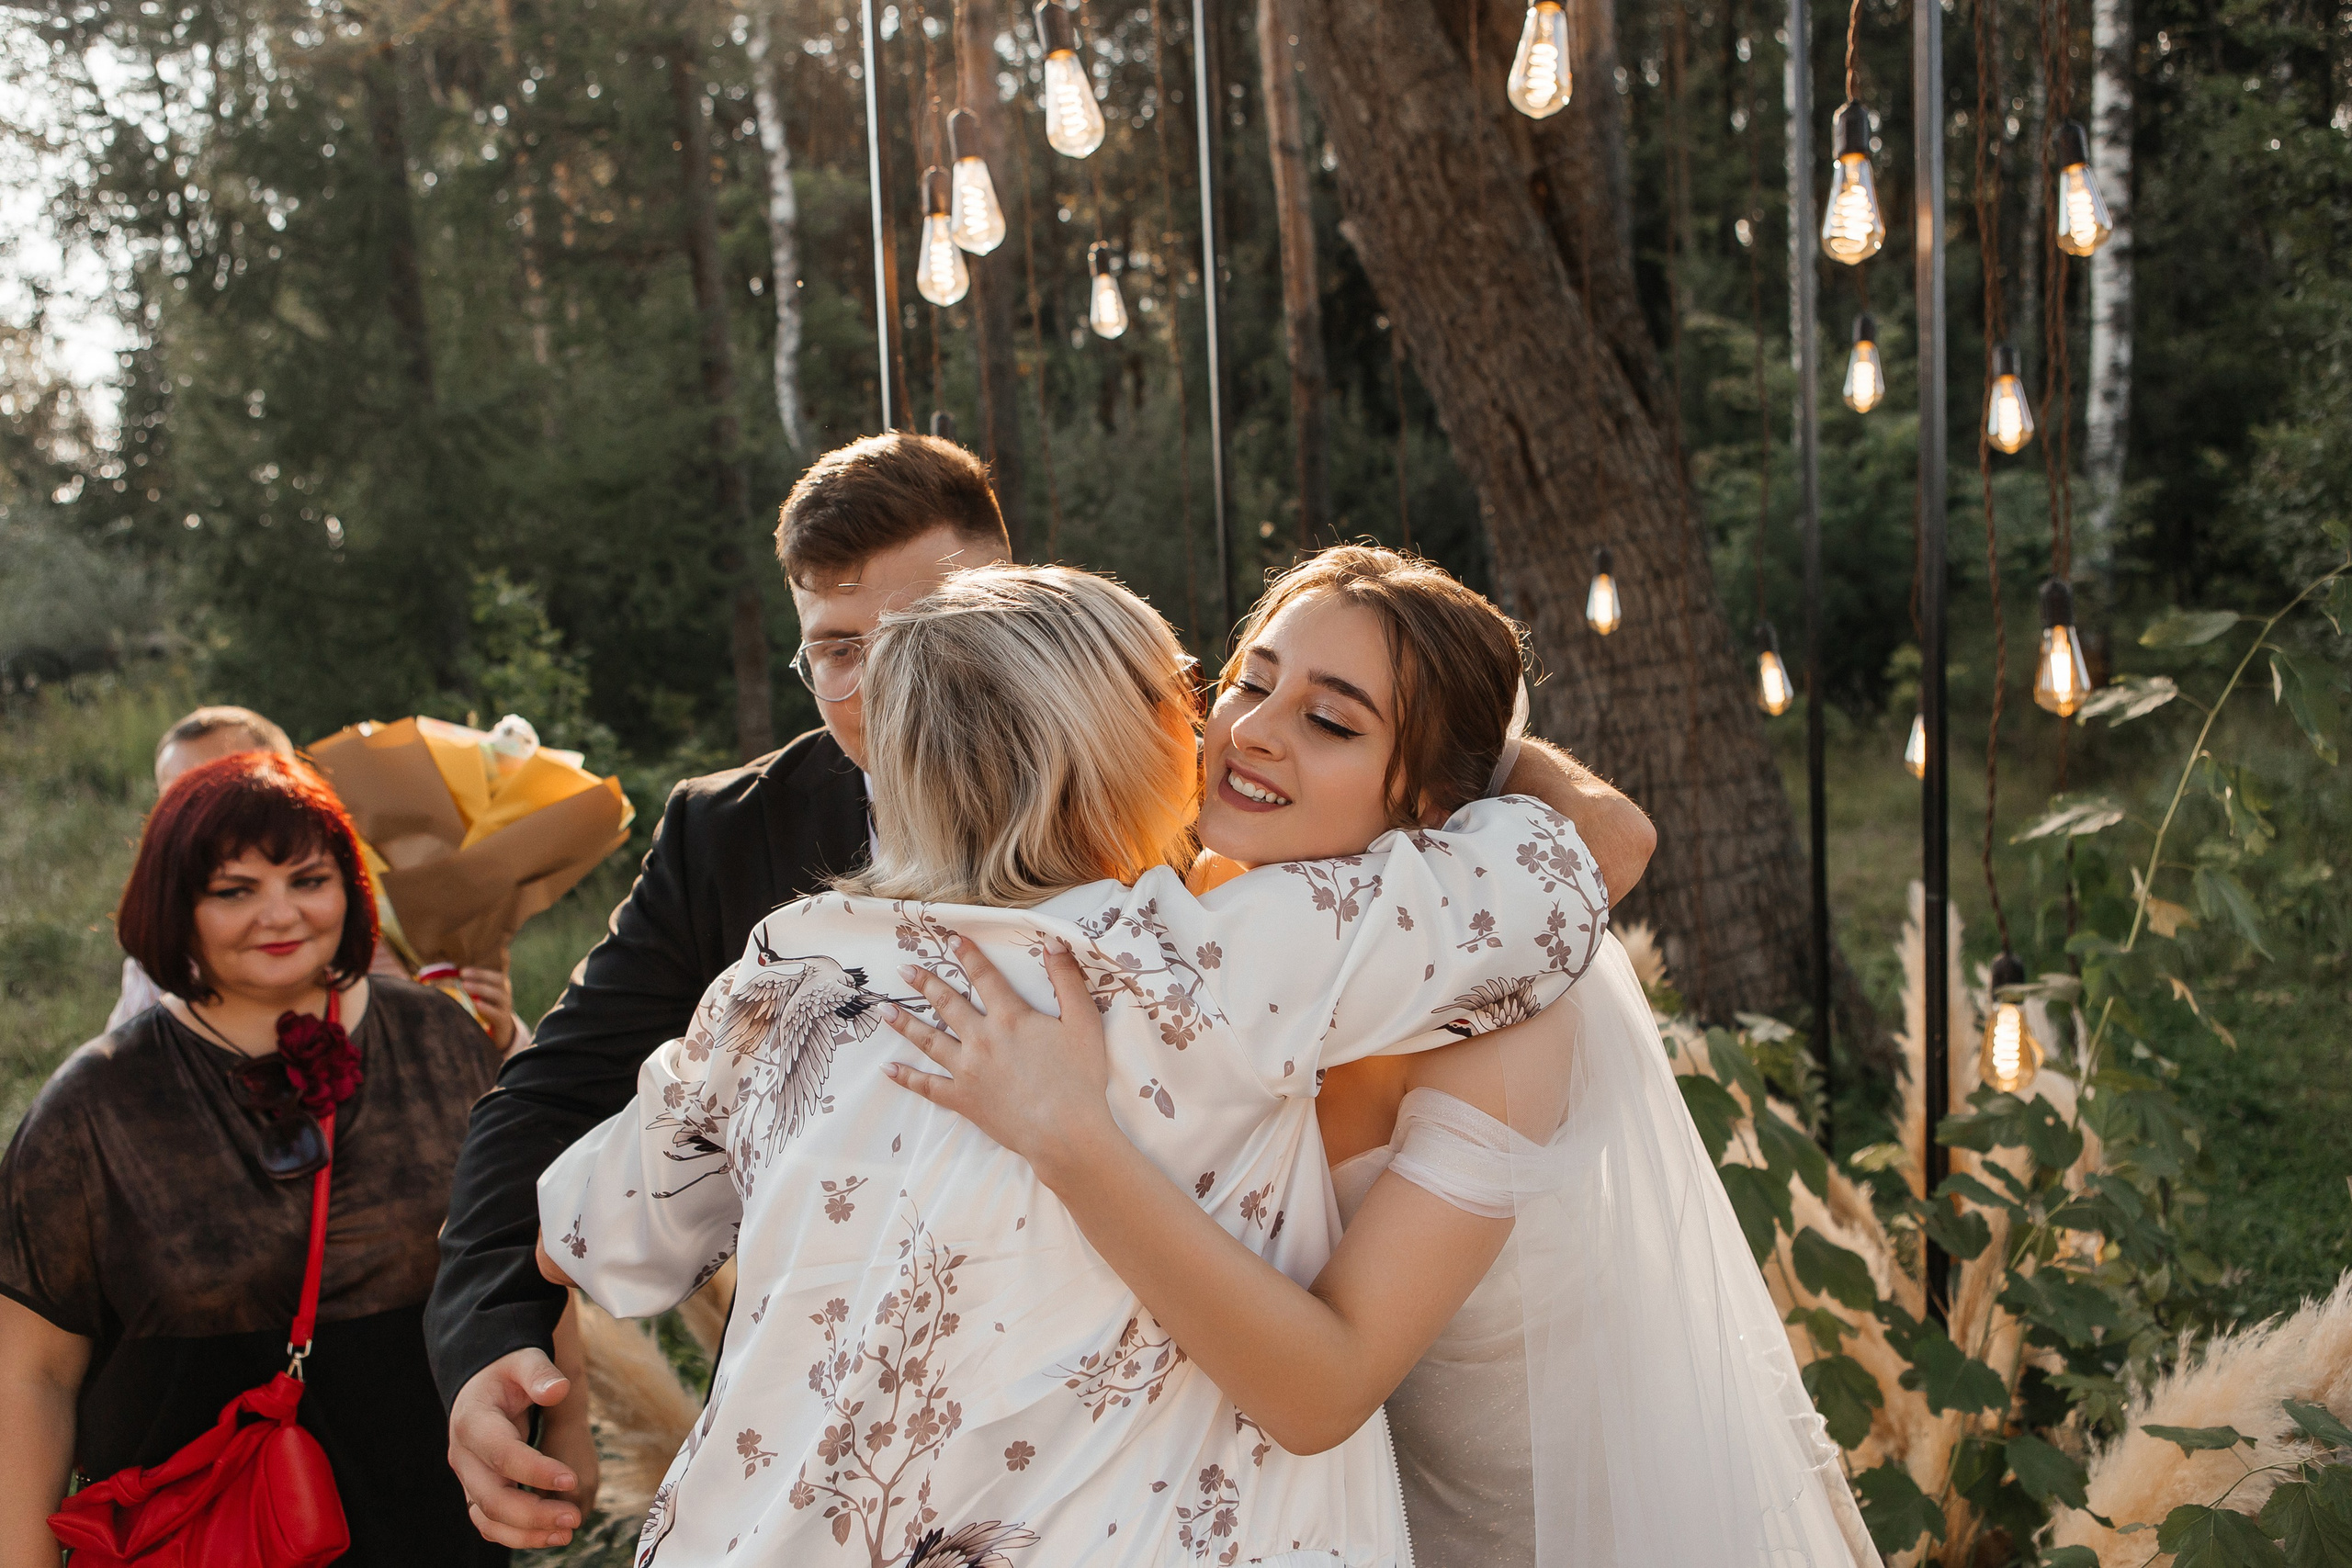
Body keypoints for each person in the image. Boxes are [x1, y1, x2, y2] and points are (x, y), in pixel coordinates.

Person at [437, 438, 1661, 1551]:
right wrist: (1491, 756)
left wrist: (565, 1326)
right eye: (1229, 685)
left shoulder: (778, 968)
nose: (1230, 726)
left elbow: (588, 1218)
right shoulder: (1215, 950)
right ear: (1128, 732)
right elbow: (1568, 866)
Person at [884, 548, 1879, 1566]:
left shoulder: (1498, 1017)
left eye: (1330, 721)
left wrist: (1073, 1140)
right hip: (1304, 1515)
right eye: (1250, 681)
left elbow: (1323, 1389)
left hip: (1530, 1530)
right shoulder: (1196, 902)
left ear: (1441, 811)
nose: (1255, 732)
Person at [433, 432, 1014, 1550]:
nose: (881, 690)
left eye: (928, 640)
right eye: (836, 651)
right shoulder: (728, 835)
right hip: (819, 1472)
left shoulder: (1169, 805)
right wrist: (495, 1336)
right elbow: (552, 1100)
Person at [0, 750, 584, 1568]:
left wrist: (570, 1423)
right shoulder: (93, 1106)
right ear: (176, 906)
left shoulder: (442, 1041)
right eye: (234, 890)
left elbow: (520, 1249)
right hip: (201, 1540)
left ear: (350, 888)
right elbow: (33, 1375)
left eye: (308, 881)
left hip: (425, 1526)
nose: (279, 914)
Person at [109, 705, 531, 1053]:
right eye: (183, 795)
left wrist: (500, 1035)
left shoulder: (361, 914)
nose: (278, 916)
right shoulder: (154, 973)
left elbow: (451, 1065)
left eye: (239, 782)